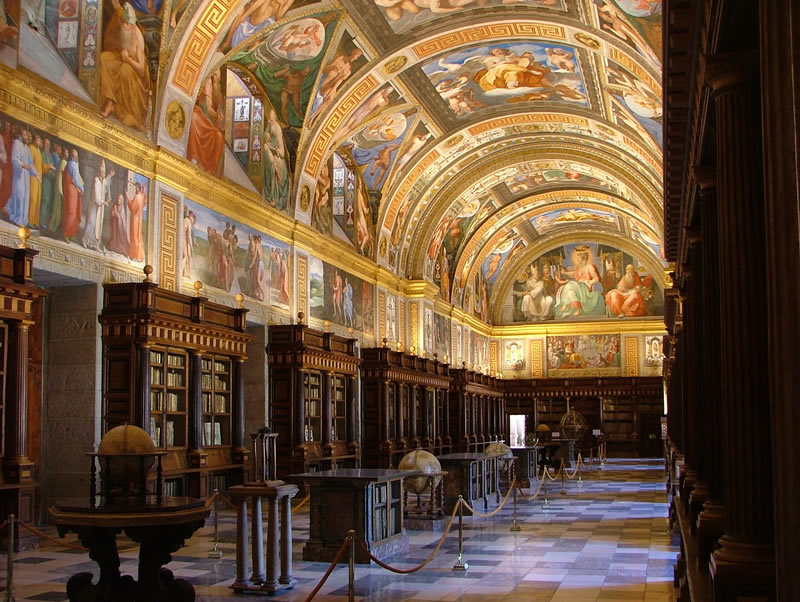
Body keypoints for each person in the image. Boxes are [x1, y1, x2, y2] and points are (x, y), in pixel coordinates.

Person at [98, 0, 150, 132]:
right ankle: (110, 101)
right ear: (122, 22)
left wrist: (128, 60)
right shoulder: (120, 28)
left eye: (130, 24)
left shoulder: (137, 36)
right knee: (105, 58)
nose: (128, 27)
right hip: (123, 61)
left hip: (135, 72)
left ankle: (130, 114)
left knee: (125, 70)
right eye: (126, 23)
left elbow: (141, 70)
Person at [187, 70, 225, 176]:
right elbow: (208, 109)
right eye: (216, 74)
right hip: (201, 114)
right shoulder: (208, 82)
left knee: (219, 137)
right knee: (194, 118)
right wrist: (218, 116)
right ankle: (194, 157)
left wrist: (219, 117)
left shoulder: (217, 89)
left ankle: (212, 171)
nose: (217, 76)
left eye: (219, 74)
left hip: (210, 120)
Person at [221, 0, 293, 52]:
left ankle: (254, 40)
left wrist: (280, 5)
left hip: (266, 18)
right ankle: (228, 42)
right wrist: (245, 15)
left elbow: (278, 18)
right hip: (255, 11)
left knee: (267, 12)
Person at [554, 246, 605, 318]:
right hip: (579, 287)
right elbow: (572, 274)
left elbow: (596, 278)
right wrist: (563, 273)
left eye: (578, 258)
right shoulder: (579, 268)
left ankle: (566, 305)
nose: (577, 260)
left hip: (585, 288)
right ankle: (574, 308)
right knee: (569, 290)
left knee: (570, 284)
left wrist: (589, 282)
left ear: (583, 257)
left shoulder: (589, 266)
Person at [312, 48, 363, 119]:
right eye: (355, 54)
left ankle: (313, 117)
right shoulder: (341, 58)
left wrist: (332, 90)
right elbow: (325, 69)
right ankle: (312, 114)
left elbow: (338, 83)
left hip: (333, 84)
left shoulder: (348, 70)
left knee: (330, 99)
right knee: (331, 76)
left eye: (357, 57)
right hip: (326, 78)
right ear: (352, 52)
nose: (355, 57)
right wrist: (333, 67)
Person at [8, 129, 39, 226]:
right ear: (21, 135)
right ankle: (17, 218)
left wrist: (35, 173)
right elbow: (14, 158)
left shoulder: (26, 148)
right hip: (19, 174)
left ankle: (23, 220)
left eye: (28, 136)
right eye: (25, 135)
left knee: (25, 197)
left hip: (25, 177)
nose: (27, 138)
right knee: (19, 196)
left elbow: (30, 163)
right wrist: (22, 165)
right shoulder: (17, 143)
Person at [262, 108, 289, 210]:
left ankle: (274, 198)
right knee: (265, 147)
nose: (271, 121)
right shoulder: (270, 124)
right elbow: (266, 133)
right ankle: (274, 167)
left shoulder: (278, 131)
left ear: (276, 119)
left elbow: (282, 153)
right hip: (271, 151)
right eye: (270, 119)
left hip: (279, 158)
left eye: (273, 119)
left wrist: (278, 152)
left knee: (275, 162)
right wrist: (266, 134)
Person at [82, 159, 110, 250]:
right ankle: (85, 240)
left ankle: (95, 244)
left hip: (100, 208)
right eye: (102, 173)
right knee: (92, 222)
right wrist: (103, 202)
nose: (103, 174)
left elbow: (106, 186)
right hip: (95, 205)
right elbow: (97, 196)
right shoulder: (96, 181)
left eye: (104, 173)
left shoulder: (103, 181)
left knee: (99, 226)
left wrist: (110, 176)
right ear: (99, 173)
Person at [61, 148, 84, 241]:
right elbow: (76, 179)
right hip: (72, 189)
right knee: (71, 212)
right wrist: (82, 188)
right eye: (76, 156)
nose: (77, 157)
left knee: (73, 211)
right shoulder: (73, 164)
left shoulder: (73, 164)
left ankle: (71, 233)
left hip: (72, 189)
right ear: (74, 156)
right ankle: (66, 234)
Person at [48, 146, 68, 233]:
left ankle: (54, 226)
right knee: (57, 208)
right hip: (59, 186)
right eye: (66, 152)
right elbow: (63, 175)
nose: (67, 154)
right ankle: (53, 226)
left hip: (59, 186)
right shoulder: (63, 162)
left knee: (58, 208)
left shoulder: (62, 161)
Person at [127, 181, 146, 261]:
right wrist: (144, 190)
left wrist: (127, 197)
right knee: (138, 236)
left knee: (134, 236)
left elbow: (132, 207)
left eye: (136, 187)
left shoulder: (137, 197)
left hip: (135, 219)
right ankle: (140, 255)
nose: (135, 189)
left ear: (138, 188)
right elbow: (144, 202)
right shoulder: (141, 196)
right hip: (139, 219)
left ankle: (134, 255)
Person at [38, 138, 55, 230]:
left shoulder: (50, 156)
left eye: (48, 144)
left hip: (49, 181)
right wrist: (49, 170)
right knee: (44, 200)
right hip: (44, 179)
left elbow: (53, 168)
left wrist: (52, 173)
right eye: (45, 143)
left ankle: (45, 221)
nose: (46, 145)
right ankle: (41, 221)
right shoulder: (42, 154)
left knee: (48, 202)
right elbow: (42, 166)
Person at [181, 208, 196, 278]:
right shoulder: (188, 222)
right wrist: (191, 246)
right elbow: (189, 235)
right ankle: (180, 271)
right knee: (185, 256)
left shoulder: (185, 219)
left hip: (182, 238)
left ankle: (184, 272)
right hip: (183, 239)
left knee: (184, 256)